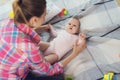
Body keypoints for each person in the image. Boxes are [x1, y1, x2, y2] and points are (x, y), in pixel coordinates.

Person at [0, 0, 86, 80]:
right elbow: (50, 71)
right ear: (34, 20)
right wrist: (75, 54)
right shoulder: (30, 48)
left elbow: (21, 34)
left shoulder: (7, 21)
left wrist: (40, 29)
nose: (45, 18)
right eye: (44, 15)